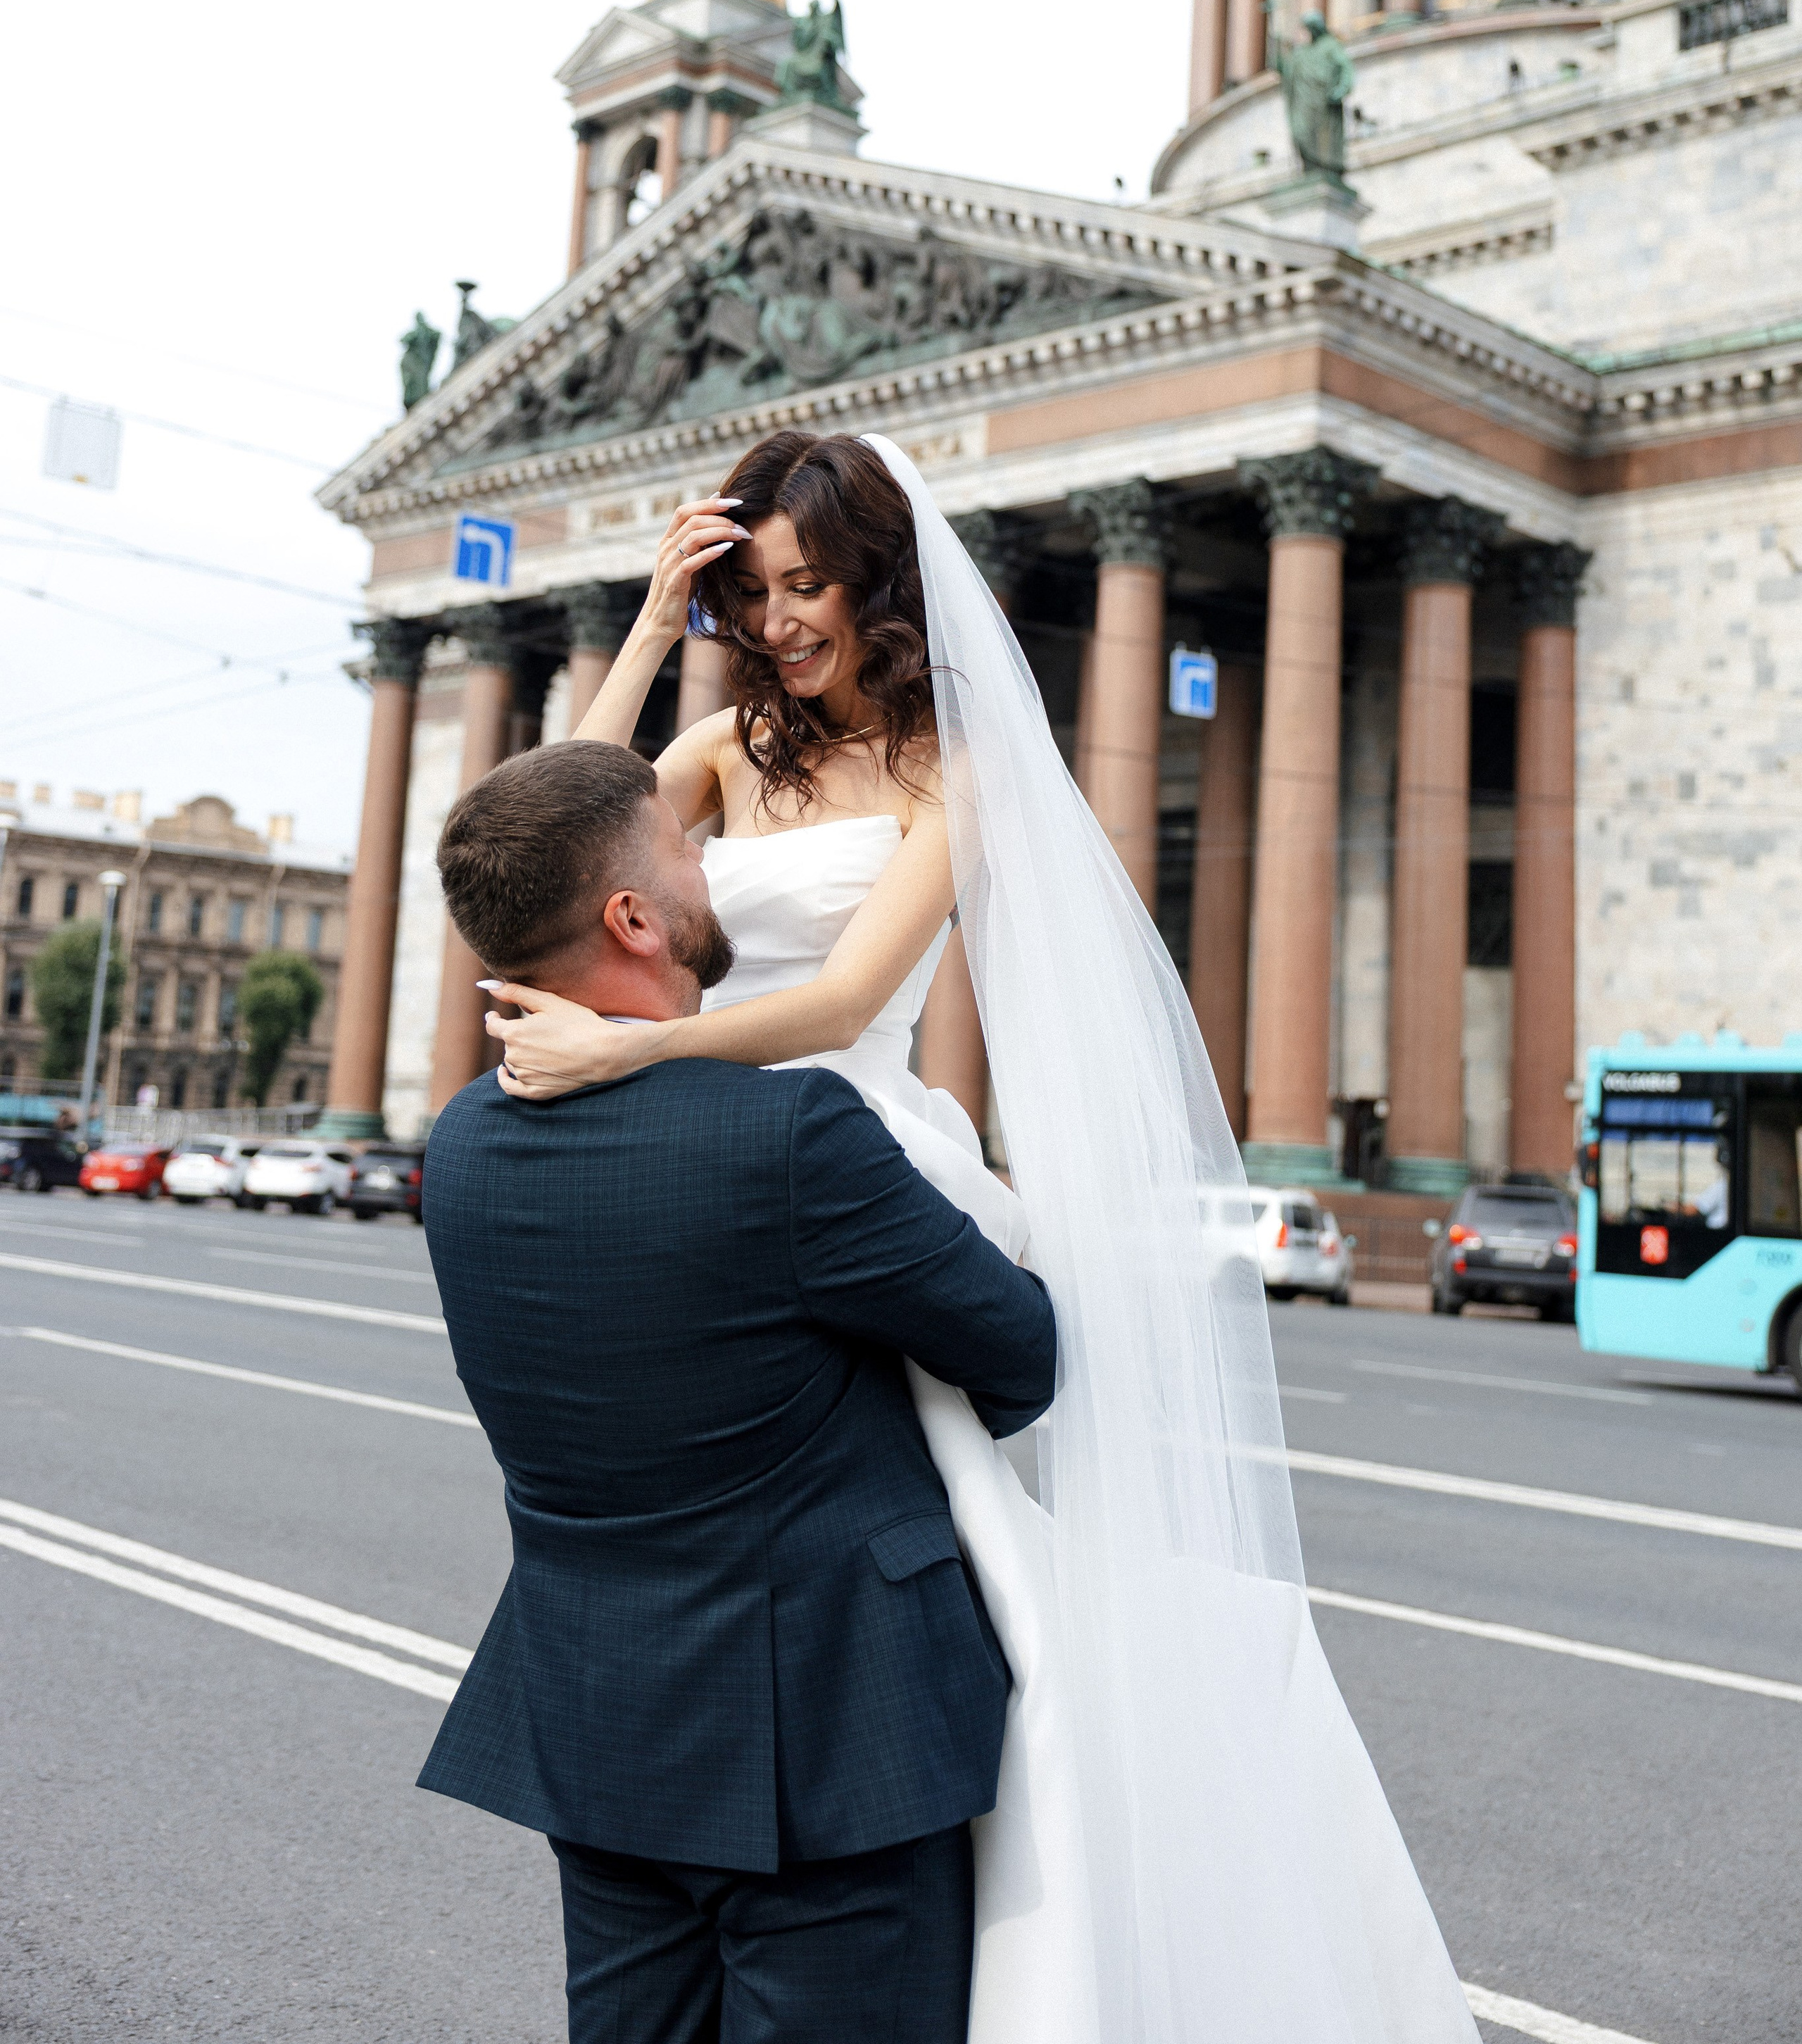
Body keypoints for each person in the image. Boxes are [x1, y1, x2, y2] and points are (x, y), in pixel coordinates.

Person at [487, 430, 1480, 2044]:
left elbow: (839, 1000)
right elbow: (553, 843)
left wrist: (629, 1050)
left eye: (807, 586)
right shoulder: (730, 742)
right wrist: (654, 633)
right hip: (709, 1138)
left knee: (962, 1552)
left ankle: (972, 1860)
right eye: (756, 589)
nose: (784, 617)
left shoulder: (956, 763)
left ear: (876, 581)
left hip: (847, 1144)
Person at [419, 736, 1056, 2044]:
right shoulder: (788, 1134)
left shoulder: (464, 1146)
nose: (712, 856)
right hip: (831, 1733)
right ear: (634, 918)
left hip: (598, 1721)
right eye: (681, 848)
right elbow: (1021, 1355)